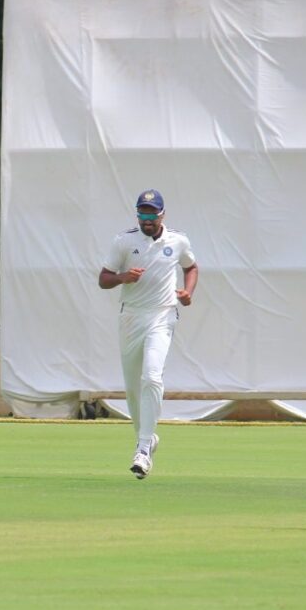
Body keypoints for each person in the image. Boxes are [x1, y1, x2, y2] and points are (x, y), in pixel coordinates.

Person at [99, 189, 198, 479]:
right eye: (142, 214)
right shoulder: (124, 241)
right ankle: (146, 438)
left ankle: (143, 448)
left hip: (162, 315)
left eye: (151, 214)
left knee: (152, 377)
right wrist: (122, 277)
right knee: (132, 388)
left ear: (162, 215)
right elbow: (103, 279)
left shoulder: (178, 240)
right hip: (131, 316)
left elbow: (191, 267)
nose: (147, 220)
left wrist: (187, 293)